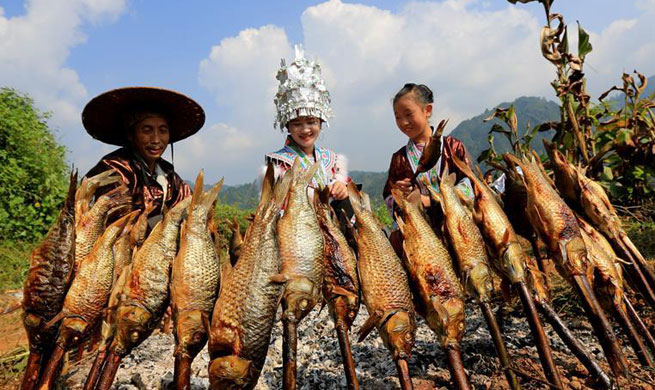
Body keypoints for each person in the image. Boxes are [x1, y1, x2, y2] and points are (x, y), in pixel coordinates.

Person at [82, 87, 205, 227]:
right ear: (131, 135)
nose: (156, 140)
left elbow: (187, 209)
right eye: (147, 131)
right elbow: (118, 225)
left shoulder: (169, 176)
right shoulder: (113, 169)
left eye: (163, 131)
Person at [384, 83, 474, 252]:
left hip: (460, 232)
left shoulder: (453, 148)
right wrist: (400, 194)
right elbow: (389, 197)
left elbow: (471, 187)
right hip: (423, 241)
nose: (403, 122)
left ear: (427, 110)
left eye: (408, 114)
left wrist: (431, 199)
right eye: (397, 117)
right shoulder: (399, 158)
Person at [264, 45, 349, 202]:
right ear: (287, 126)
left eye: (311, 122)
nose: (305, 130)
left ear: (321, 122)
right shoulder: (278, 163)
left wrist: (341, 187)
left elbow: (348, 191)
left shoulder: (332, 160)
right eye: (297, 124)